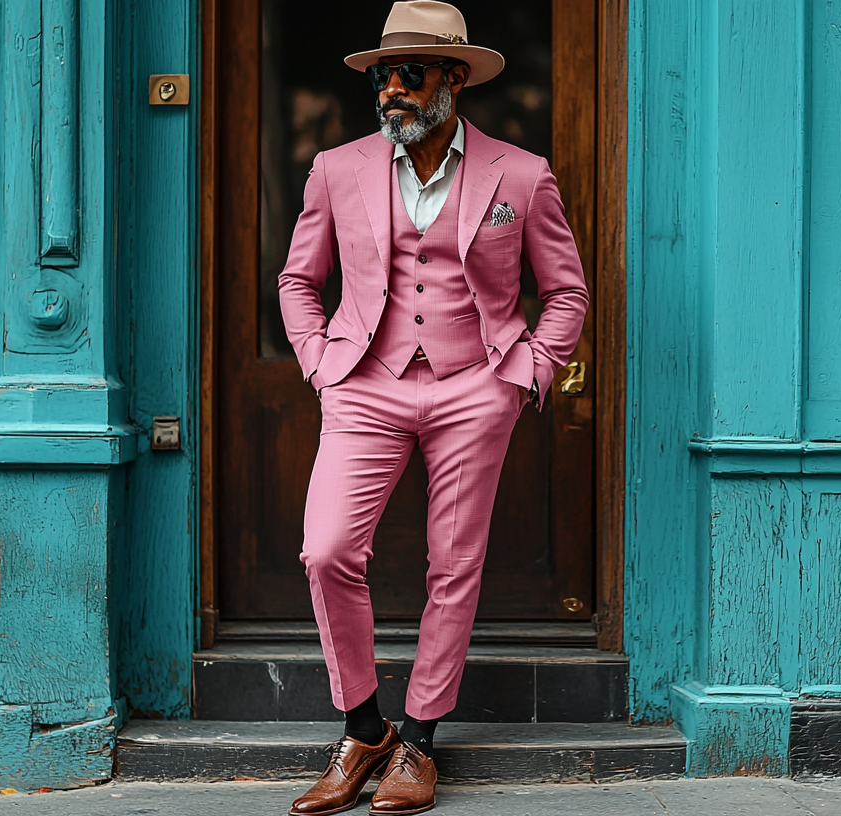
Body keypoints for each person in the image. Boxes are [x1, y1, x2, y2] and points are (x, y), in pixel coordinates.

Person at [279, 2, 588, 813]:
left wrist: (526, 373)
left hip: (473, 386)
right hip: (365, 383)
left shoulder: (520, 175)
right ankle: (362, 725)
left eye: (409, 74)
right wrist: (321, 366)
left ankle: (419, 741)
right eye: (382, 75)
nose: (390, 92)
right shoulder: (337, 169)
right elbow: (298, 280)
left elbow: (565, 291)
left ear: (455, 79)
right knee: (327, 549)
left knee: (453, 565)